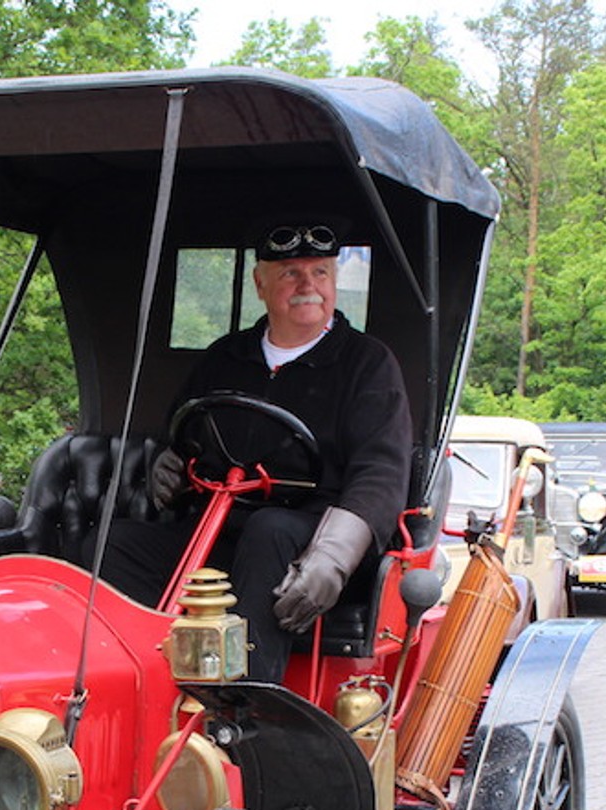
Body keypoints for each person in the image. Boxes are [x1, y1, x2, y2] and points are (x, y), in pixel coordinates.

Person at [101, 223, 411, 683]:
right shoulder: (225, 357)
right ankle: (125, 680)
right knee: (109, 546)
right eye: (290, 273)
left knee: (270, 531)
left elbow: (381, 471)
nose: (308, 286)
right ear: (260, 284)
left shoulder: (367, 362)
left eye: (320, 273)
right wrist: (169, 464)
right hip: (222, 530)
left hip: (311, 542)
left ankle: (244, 711)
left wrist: (334, 555)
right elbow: (185, 432)